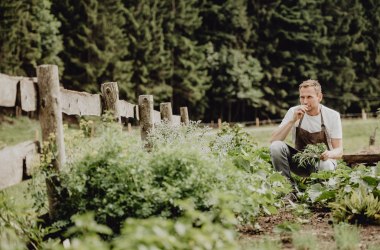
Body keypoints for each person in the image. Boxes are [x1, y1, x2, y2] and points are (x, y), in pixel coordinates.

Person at [269, 79, 343, 194]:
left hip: (322, 162)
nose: (305, 101)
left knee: (326, 164)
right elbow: (274, 140)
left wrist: (329, 154)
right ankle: (288, 191)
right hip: (300, 162)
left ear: (319, 97)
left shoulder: (332, 116)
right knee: (276, 147)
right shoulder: (294, 111)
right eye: (302, 97)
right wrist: (293, 120)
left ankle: (320, 194)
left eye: (309, 97)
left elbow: (339, 151)